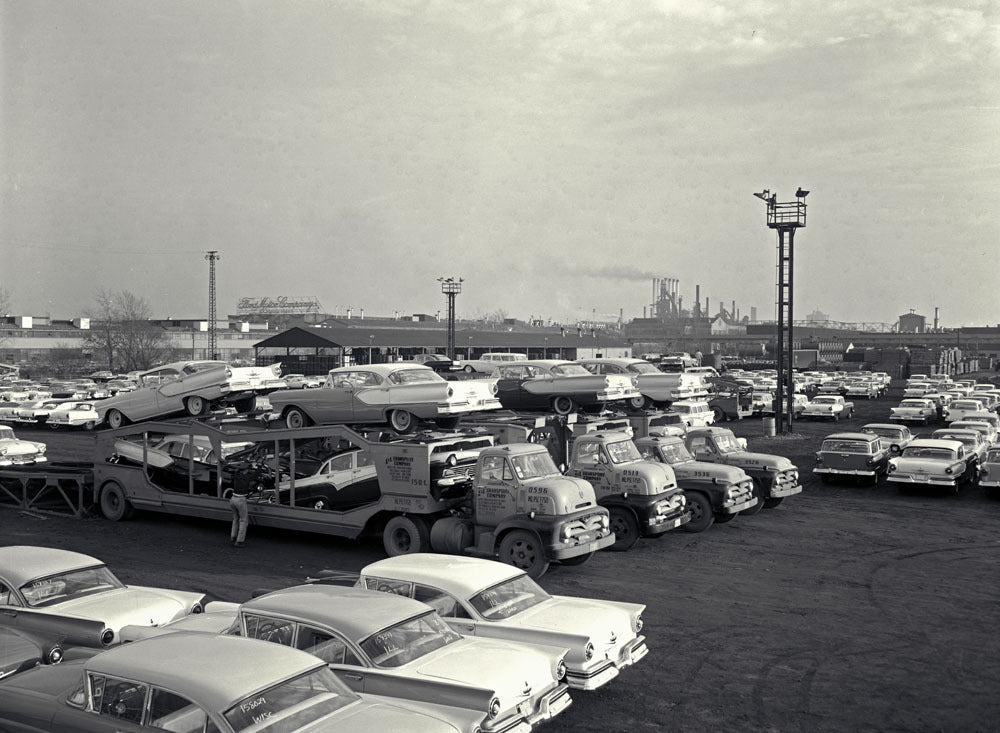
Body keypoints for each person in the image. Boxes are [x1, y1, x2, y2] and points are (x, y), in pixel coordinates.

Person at [229, 460, 255, 547]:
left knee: (235, 519)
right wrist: (259, 466)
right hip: (240, 499)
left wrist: (241, 465)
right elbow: (256, 475)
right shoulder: (247, 477)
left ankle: (233, 537)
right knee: (243, 520)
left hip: (232, 499)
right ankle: (239, 541)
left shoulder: (236, 475)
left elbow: (236, 469)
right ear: (246, 470)